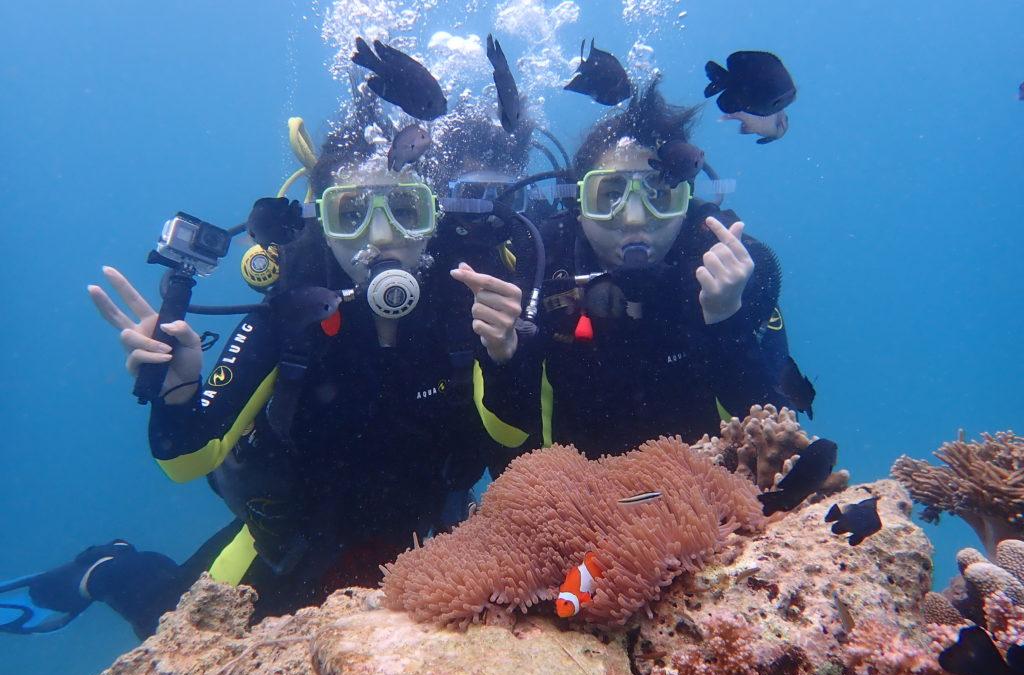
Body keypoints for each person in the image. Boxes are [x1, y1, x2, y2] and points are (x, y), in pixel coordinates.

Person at [0, 101, 530, 639]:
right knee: (180, 640)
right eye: (350, 213)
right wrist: (177, 391)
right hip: (291, 542)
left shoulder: (468, 311)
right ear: (319, 222)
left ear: (434, 215)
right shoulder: (291, 316)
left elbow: (510, 440)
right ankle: (105, 567)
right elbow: (187, 462)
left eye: (405, 209)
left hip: (435, 540)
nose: (381, 235)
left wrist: (505, 355)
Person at [479, 81, 807, 467]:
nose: (634, 217)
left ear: (686, 203)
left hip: (712, 502)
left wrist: (725, 322)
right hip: (580, 508)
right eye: (610, 195)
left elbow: (775, 431)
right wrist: (505, 359)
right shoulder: (540, 268)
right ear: (578, 205)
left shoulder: (728, 268)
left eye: (659, 193)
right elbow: (508, 436)